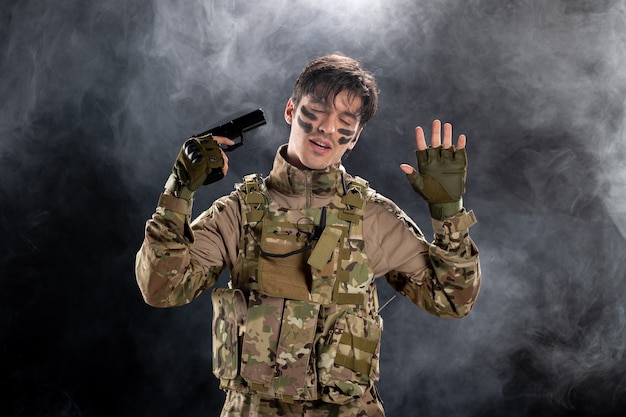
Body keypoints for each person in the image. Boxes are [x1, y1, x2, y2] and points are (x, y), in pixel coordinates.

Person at [135, 53, 481, 417]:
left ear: (355, 137)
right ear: (290, 110)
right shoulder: (237, 212)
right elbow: (161, 289)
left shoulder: (373, 217)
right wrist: (178, 192)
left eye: (345, 121)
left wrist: (448, 213)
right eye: (317, 109)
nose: (328, 128)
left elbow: (451, 300)